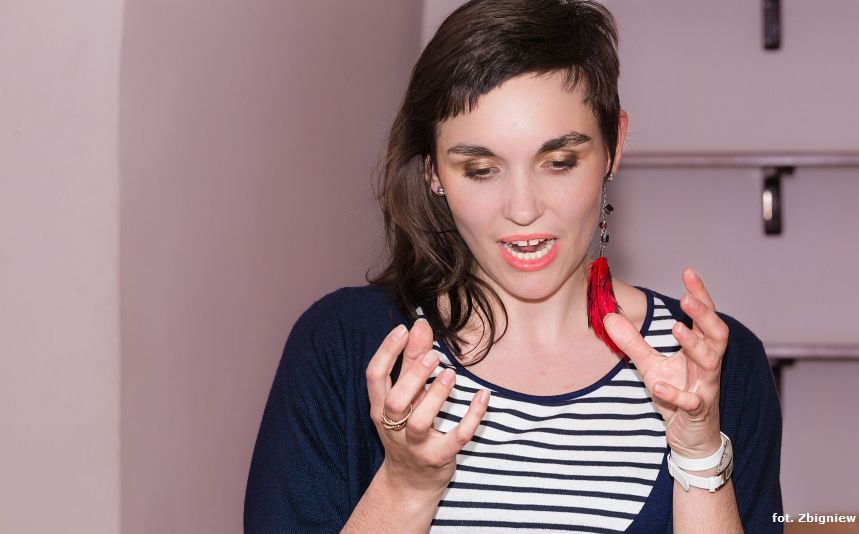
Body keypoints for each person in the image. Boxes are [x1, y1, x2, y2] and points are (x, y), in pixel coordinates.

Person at [244, 0, 783, 532]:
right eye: (480, 169)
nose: (523, 209)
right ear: (432, 171)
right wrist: (405, 489)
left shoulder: (716, 366)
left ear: (613, 148)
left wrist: (698, 453)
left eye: (559, 162)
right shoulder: (342, 346)